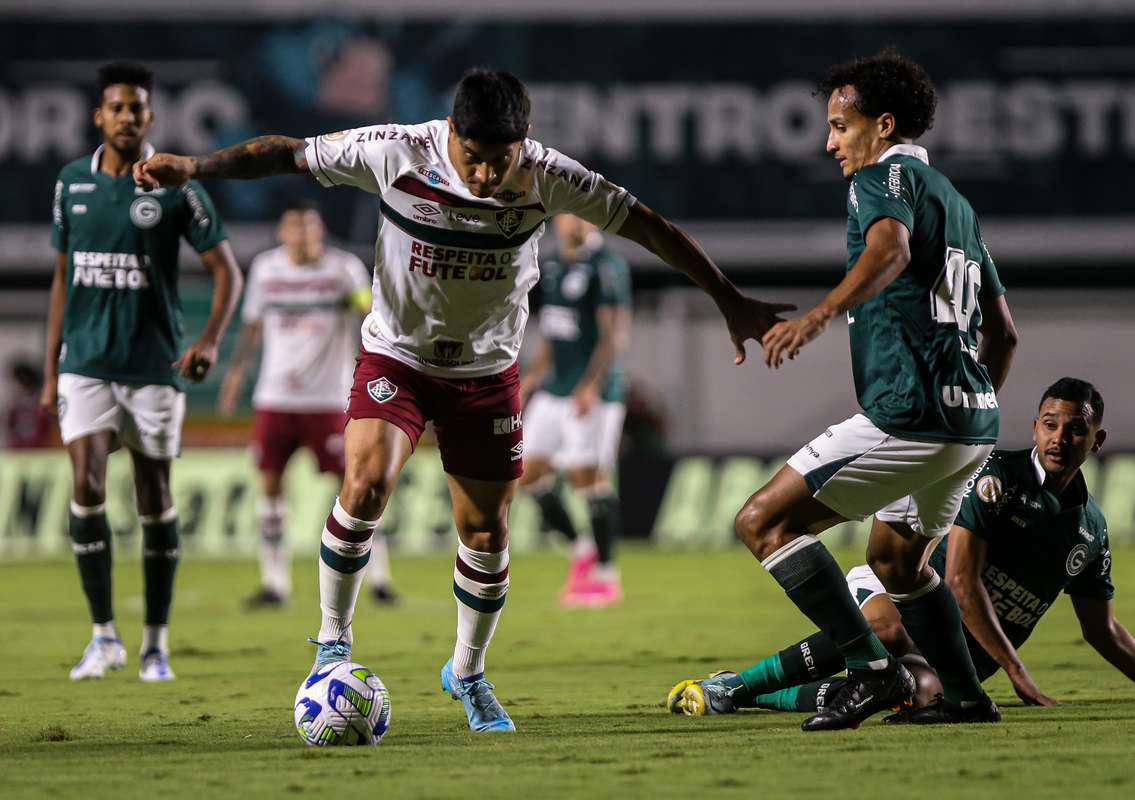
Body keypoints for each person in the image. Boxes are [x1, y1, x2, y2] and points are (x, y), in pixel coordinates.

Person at [134, 68, 788, 731]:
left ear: (523, 142)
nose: (483, 176)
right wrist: (194, 165)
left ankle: (468, 674)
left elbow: (651, 227)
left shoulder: (548, 174)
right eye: (473, 159)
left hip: (486, 372)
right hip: (398, 356)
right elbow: (285, 152)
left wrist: (728, 299)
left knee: (485, 531)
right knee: (363, 487)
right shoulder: (395, 150)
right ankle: (333, 642)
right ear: (450, 132)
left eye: (498, 161)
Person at [730, 49, 1020, 731]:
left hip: (908, 416)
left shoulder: (879, 178)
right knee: (894, 559)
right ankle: (966, 698)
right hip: (971, 425)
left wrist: (819, 315)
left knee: (762, 522)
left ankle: (869, 671)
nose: (830, 142)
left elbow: (887, 251)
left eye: (840, 124)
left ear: (883, 124)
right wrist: (969, 407)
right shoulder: (957, 203)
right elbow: (1003, 333)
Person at [669, 379, 1135, 717]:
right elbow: (962, 581)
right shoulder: (998, 478)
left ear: (1097, 440)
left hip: (962, 652)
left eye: (1076, 429)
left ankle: (751, 696)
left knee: (914, 691)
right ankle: (736, 688)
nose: (1060, 438)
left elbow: (1100, 629)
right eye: (1049, 424)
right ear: (1034, 428)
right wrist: (1016, 671)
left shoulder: (1091, 531)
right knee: (887, 631)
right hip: (904, 592)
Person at [41, 62, 242, 682]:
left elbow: (227, 273)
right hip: (87, 364)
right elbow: (62, 277)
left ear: (151, 117)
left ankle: (155, 643)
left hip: (154, 365)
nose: (128, 117)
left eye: (138, 108)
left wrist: (209, 340)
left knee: (154, 496)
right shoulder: (71, 182)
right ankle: (104, 636)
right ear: (98, 116)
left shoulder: (177, 186)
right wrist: (52, 371)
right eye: (117, 108)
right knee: (88, 482)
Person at [218, 199, 397, 609]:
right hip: (275, 396)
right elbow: (252, 325)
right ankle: (274, 583)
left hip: (329, 398)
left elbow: (370, 313)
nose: (304, 236)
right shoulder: (266, 269)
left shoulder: (342, 270)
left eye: (311, 228)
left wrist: (359, 304)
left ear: (320, 231)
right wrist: (235, 373)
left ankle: (380, 579)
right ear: (283, 233)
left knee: (357, 487)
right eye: (296, 228)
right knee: (270, 486)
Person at [519, 213, 631, 607]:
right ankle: (581, 549)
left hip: (593, 392)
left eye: (582, 213)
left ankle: (606, 574)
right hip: (554, 388)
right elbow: (555, 330)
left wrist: (591, 385)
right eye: (567, 212)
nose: (574, 221)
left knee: (587, 476)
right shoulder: (550, 265)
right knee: (527, 473)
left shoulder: (606, 265)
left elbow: (613, 333)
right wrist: (531, 380)